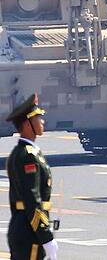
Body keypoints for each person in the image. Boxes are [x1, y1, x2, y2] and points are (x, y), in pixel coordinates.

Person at [5, 94, 58, 260]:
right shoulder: (28, 156)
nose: (42, 121)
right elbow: (31, 198)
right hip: (29, 231)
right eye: (38, 118)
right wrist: (45, 236)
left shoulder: (23, 152)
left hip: (24, 227)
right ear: (28, 124)